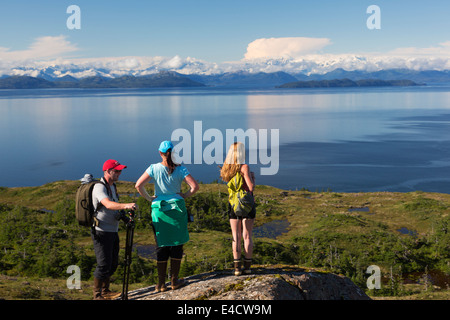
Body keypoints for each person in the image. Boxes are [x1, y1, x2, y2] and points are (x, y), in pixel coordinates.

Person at [135, 141, 199, 292]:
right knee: (177, 244)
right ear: (173, 152)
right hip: (177, 208)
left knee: (161, 245)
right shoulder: (180, 169)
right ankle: (174, 281)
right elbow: (195, 186)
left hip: (159, 209)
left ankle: (161, 284)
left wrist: (150, 199)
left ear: (160, 153)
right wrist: (184, 195)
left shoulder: (153, 168)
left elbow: (138, 185)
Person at [91, 159, 137, 300]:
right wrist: (126, 205)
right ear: (107, 171)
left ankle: (105, 291)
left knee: (112, 263)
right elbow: (108, 204)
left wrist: (125, 218)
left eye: (120, 170)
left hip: (112, 230)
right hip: (101, 231)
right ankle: (97, 295)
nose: (119, 173)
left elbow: (114, 207)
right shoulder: (100, 187)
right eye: (116, 171)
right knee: (103, 264)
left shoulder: (112, 186)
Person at [220, 142, 256, 276]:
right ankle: (247, 267)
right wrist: (252, 178)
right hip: (247, 203)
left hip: (233, 204)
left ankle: (236, 269)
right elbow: (250, 188)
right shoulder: (244, 167)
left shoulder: (227, 168)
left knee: (236, 236)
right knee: (247, 236)